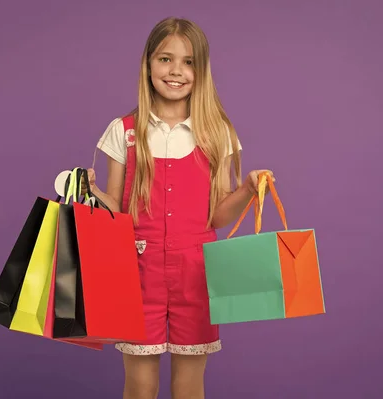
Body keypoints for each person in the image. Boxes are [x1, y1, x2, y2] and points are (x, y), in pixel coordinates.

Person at [85, 17, 274, 399]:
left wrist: (248, 190)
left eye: (188, 62)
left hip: (197, 272)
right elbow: (118, 214)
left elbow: (217, 216)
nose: (176, 71)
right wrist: (90, 193)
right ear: (148, 64)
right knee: (140, 384)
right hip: (136, 271)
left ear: (201, 69)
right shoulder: (124, 130)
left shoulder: (217, 132)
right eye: (165, 59)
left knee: (189, 385)